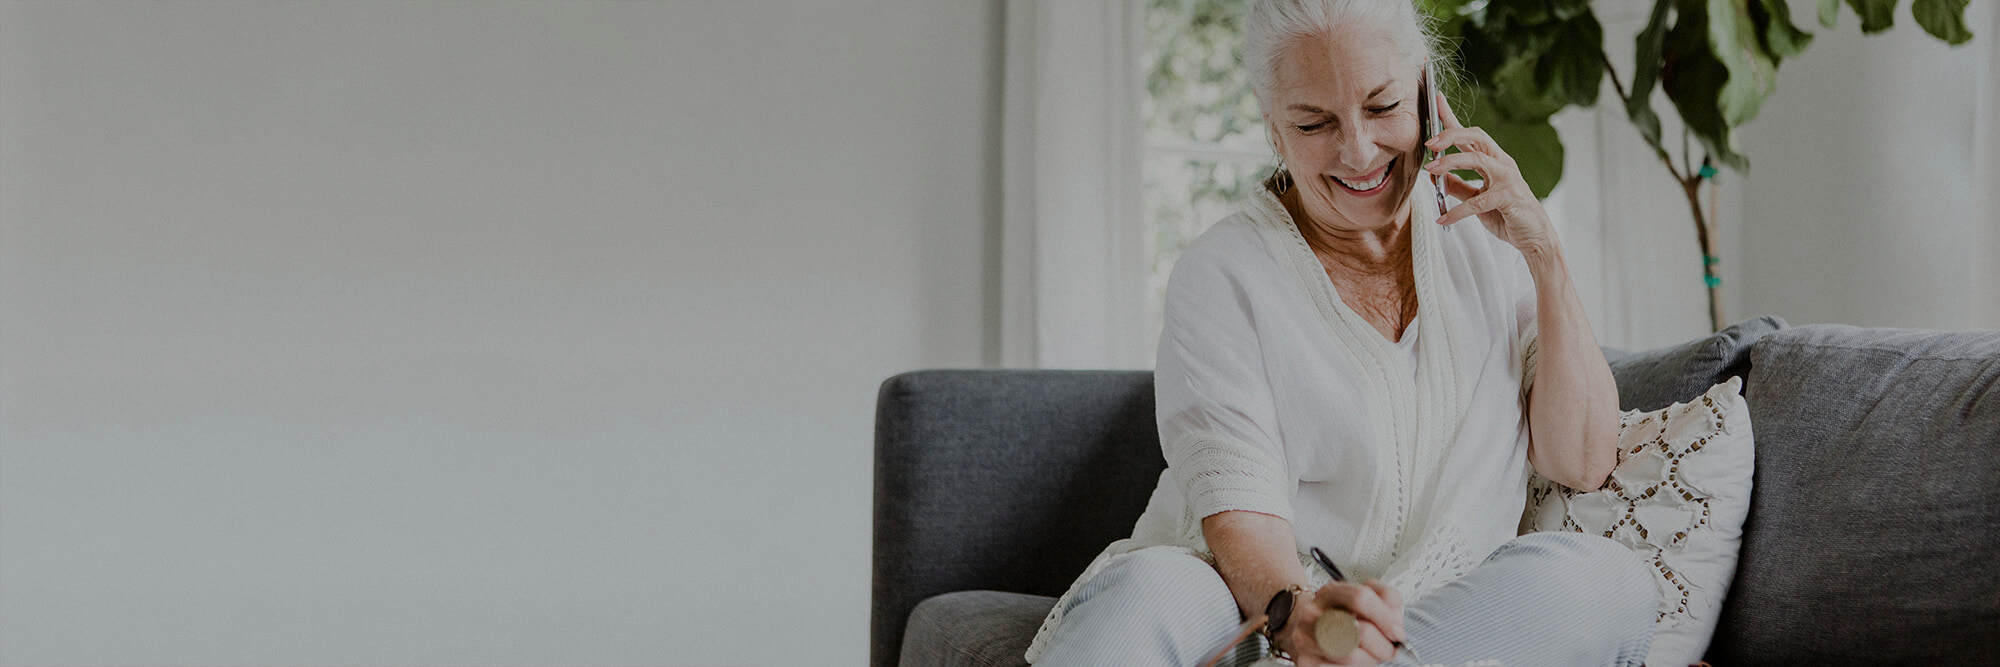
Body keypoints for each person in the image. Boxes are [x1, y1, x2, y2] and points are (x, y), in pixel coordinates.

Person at [1023, 1, 1659, 665]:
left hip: (1437, 619)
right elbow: (1242, 512)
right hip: (1253, 608)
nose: (1357, 150)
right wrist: (1302, 619)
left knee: (1606, 578)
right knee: (1147, 590)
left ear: (1425, 90)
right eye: (1313, 122)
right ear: (1273, 127)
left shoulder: (1492, 246)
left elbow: (1581, 460)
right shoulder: (1221, 273)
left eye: (1383, 107)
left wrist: (1545, 253)